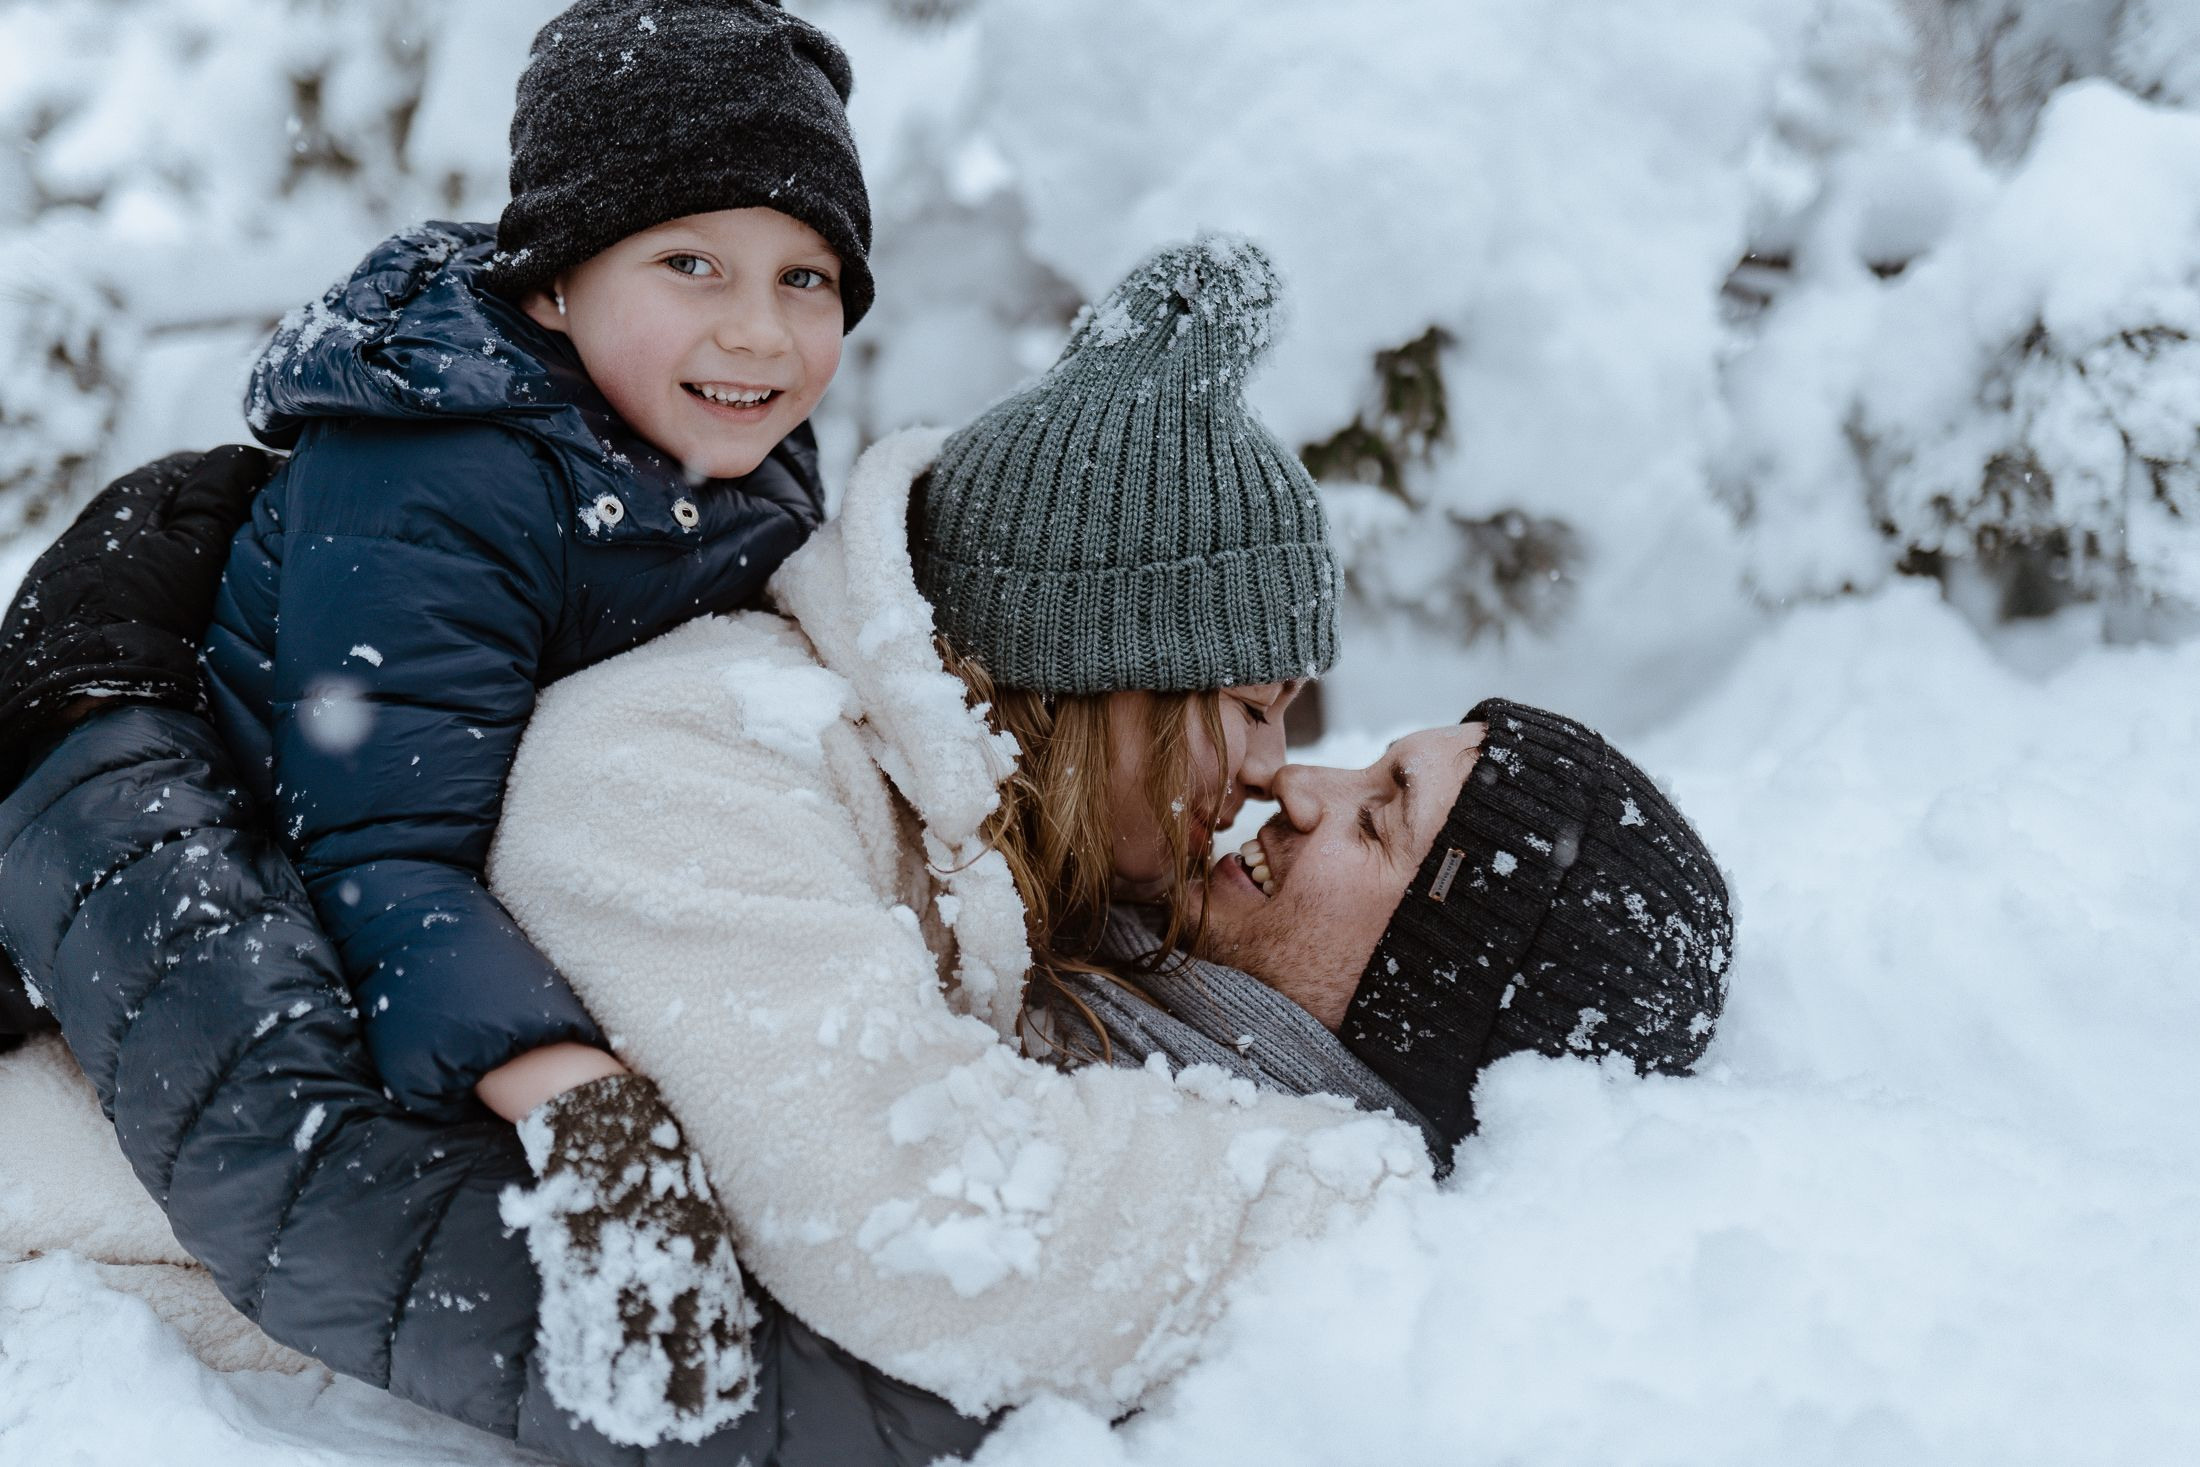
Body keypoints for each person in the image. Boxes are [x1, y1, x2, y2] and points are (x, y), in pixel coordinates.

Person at [0, 240, 1731, 1463]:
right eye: (1266, 713)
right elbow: (921, 1216)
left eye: (1363, 798)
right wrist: (1343, 1195)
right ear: (1107, 685)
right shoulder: (710, 756)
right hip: (85, 1299)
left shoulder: (1012, 872)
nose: (1288, 781)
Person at [176, 0, 876, 1435]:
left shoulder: (726, 439)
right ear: (553, 285)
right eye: (692, 263)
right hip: (267, 867)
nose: (760, 330)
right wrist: (580, 1099)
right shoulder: (439, 470)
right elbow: (376, 849)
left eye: (808, 277)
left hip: (457, 890)